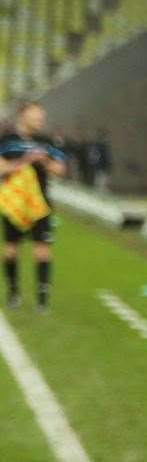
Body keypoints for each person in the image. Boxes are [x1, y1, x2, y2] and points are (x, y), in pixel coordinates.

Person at [1, 101, 68, 312]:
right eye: (36, 116)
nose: (40, 120)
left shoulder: (47, 142)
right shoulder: (7, 140)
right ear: (23, 115)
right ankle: (13, 291)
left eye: (41, 117)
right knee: (11, 249)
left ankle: (42, 299)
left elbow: (60, 170)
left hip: (40, 203)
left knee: (42, 250)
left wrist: (45, 162)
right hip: (14, 203)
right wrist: (23, 161)